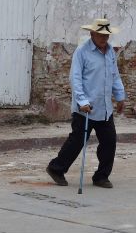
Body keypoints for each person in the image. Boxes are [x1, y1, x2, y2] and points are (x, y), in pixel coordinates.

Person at [46, 18, 126, 189]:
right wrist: (82, 101)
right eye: (100, 35)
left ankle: (101, 176)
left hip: (104, 108)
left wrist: (120, 97)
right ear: (92, 34)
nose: (104, 38)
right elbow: (75, 79)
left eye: (106, 35)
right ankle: (56, 168)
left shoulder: (111, 52)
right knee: (77, 141)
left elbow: (115, 76)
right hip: (86, 108)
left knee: (109, 141)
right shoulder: (82, 52)